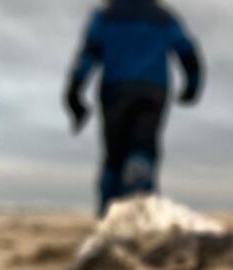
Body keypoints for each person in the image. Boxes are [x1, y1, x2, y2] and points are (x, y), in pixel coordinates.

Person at [64, 0, 204, 217]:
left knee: (114, 154)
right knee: (144, 146)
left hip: (115, 90)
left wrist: (74, 90)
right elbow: (187, 51)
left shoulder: (106, 15)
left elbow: (88, 55)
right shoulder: (163, 16)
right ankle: (140, 204)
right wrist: (193, 84)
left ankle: (108, 213)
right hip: (153, 90)